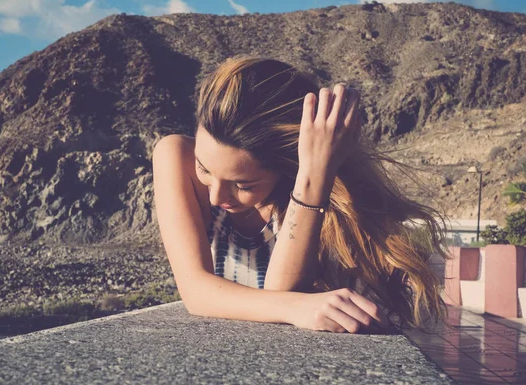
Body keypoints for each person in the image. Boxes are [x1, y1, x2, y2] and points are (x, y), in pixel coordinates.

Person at [152, 55, 448, 334]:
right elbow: (195, 291)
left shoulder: (312, 189)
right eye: (204, 169)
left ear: (287, 168)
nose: (216, 197)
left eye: (242, 185)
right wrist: (298, 307)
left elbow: (279, 293)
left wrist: (316, 172)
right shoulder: (175, 155)